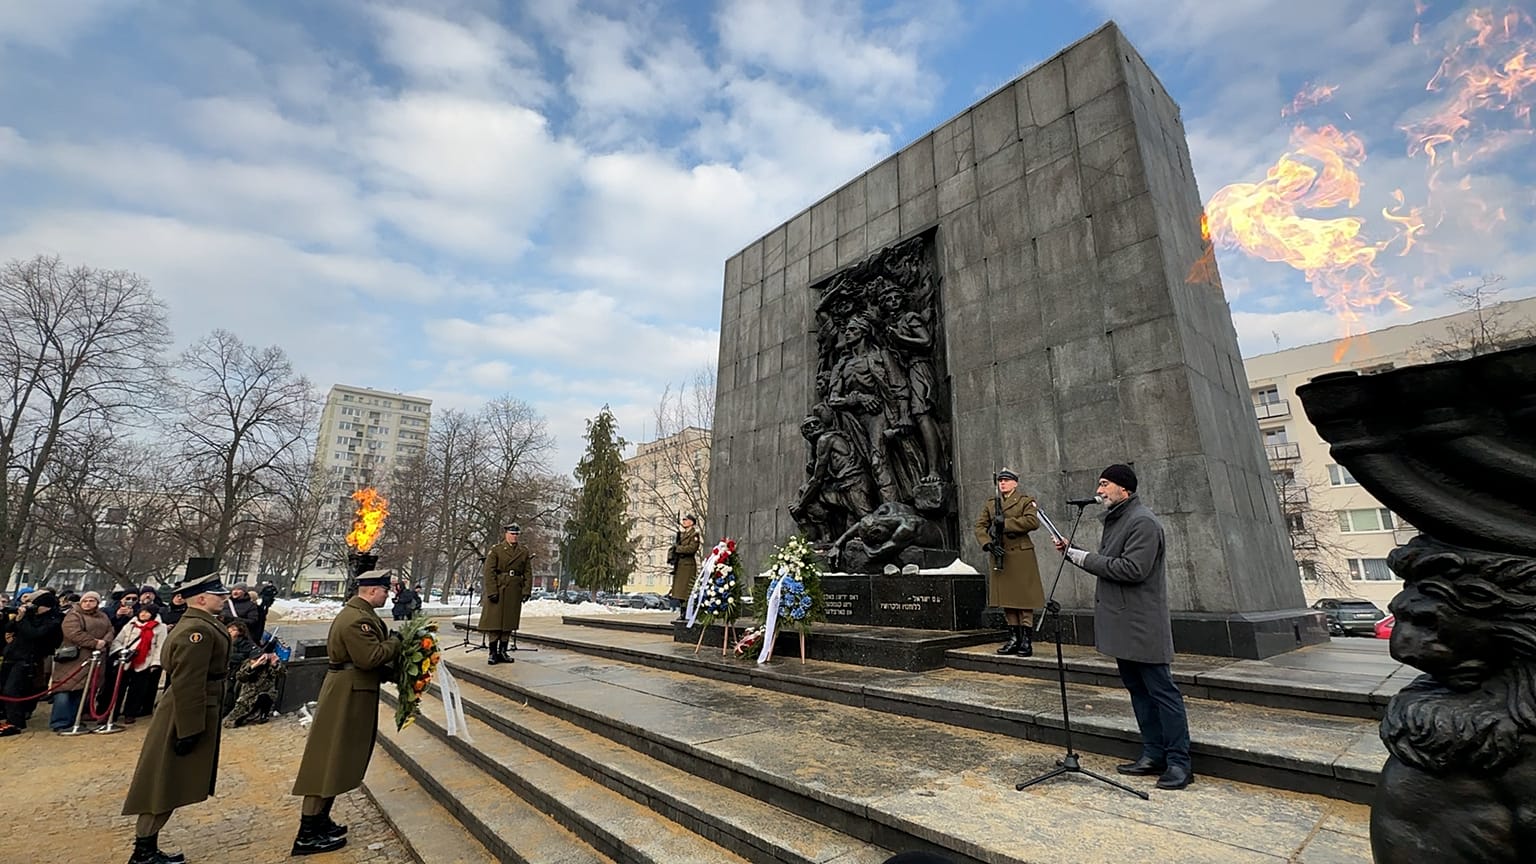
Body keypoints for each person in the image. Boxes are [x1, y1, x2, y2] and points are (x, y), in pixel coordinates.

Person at [1053, 463, 1193, 791]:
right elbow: (1113, 564)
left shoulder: (1142, 521)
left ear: (1124, 490)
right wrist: (1073, 554)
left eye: (1105, 484)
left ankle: (1179, 762)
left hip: (1142, 625)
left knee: (1162, 692)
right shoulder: (1120, 520)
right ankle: (1154, 753)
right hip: (1124, 624)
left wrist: (1083, 557)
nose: (1099, 490)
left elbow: (1132, 569)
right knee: (1139, 692)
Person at [120, 567, 233, 864]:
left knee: (167, 782)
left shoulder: (201, 624)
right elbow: (189, 681)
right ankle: (143, 852)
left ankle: (146, 847)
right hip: (185, 711)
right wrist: (190, 727)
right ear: (202, 599)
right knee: (164, 782)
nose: (223, 599)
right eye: (217, 595)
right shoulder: (198, 631)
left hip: (189, 707)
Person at [289, 569, 403, 856]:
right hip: (346, 694)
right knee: (329, 758)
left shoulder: (359, 615)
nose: (387, 594)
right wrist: (397, 643)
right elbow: (369, 657)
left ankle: (320, 821)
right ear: (371, 590)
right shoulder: (357, 619)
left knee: (337, 759)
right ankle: (308, 833)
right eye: (384, 590)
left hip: (353, 690)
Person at [973, 469, 1044, 656]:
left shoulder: (1025, 501)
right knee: (1008, 599)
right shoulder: (991, 503)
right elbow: (980, 526)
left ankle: (1026, 640)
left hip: (1020, 554)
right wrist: (987, 544)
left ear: (1015, 483)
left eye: (1006, 480)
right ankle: (1014, 638)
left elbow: (1032, 522)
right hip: (1000, 553)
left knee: (1023, 600)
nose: (1002, 483)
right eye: (1000, 481)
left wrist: (1005, 523)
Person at [0, 589, 64, 736]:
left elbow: (33, 634)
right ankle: (6, 716)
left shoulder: (53, 619)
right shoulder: (29, 616)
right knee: (3, 687)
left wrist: (23, 620)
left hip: (28, 659)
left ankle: (15, 722)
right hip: (12, 654)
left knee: (13, 690)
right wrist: (17, 618)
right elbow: (8, 628)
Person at [52, 590, 114, 731]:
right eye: (85, 601)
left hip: (95, 658)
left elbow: (110, 630)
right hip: (74, 658)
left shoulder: (103, 616)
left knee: (83, 691)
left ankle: (75, 719)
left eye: (91, 601)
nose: (87, 603)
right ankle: (60, 722)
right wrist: (94, 643)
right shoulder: (74, 615)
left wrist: (104, 642)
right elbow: (73, 633)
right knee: (65, 690)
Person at [479, 523, 532, 665]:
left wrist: (526, 590)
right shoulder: (496, 550)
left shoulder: (523, 551)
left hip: (514, 590)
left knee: (508, 623)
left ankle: (503, 650)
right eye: (511, 534)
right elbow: (488, 572)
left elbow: (528, 572)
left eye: (516, 534)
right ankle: (493, 652)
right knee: (495, 622)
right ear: (506, 534)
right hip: (499, 587)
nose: (514, 536)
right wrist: (491, 591)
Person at [111, 603, 167, 724]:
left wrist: (156, 663)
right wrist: (121, 652)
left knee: (137, 690)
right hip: (126, 660)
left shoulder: (160, 627)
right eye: (142, 612)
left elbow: (160, 646)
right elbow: (118, 640)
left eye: (147, 612)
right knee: (118, 688)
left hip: (145, 661)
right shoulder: (131, 624)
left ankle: (130, 713)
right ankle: (112, 712)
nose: (143, 614)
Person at [666, 515, 701, 618]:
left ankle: (686, 613)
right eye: (683, 520)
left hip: (687, 566)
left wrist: (678, 549)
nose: (684, 522)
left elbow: (691, 549)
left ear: (692, 522)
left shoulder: (694, 535)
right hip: (680, 565)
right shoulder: (682, 534)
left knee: (686, 592)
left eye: (686, 520)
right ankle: (682, 613)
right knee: (680, 593)